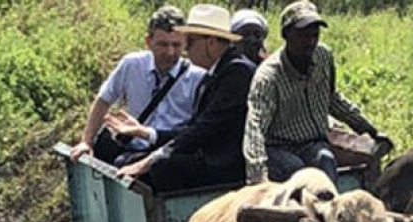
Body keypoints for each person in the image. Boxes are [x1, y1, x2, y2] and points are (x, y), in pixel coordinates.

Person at [112, 4, 257, 192]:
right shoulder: (217, 72)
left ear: (211, 43)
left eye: (190, 41)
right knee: (131, 161)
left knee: (161, 168)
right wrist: (145, 133)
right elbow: (195, 129)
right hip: (209, 157)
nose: (185, 49)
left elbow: (204, 129)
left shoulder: (237, 73)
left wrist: (151, 160)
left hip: (227, 166)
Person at [242, 1, 389, 184]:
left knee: (325, 160)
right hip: (278, 147)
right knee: (295, 170)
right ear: (286, 35)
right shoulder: (269, 77)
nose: (310, 41)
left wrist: (368, 129)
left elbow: (332, 100)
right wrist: (257, 174)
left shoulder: (323, 57)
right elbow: (255, 128)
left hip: (313, 142)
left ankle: (330, 209)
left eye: (315, 34)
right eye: (303, 35)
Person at [70, 6, 206, 166]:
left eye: (176, 45)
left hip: (169, 154)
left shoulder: (198, 77)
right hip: (132, 148)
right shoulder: (132, 65)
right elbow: (103, 100)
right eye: (163, 45)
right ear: (148, 42)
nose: (170, 52)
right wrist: (87, 141)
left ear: (184, 44)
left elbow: (199, 129)